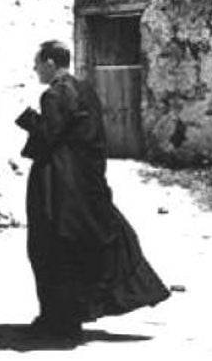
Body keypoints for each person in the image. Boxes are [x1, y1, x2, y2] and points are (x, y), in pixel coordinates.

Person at [15, 39, 170, 338]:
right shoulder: (84, 90)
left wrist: (28, 121)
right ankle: (69, 315)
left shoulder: (55, 95)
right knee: (83, 244)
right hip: (84, 183)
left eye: (37, 63)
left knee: (49, 248)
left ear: (50, 63)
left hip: (58, 185)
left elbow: (49, 137)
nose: (35, 69)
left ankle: (58, 320)